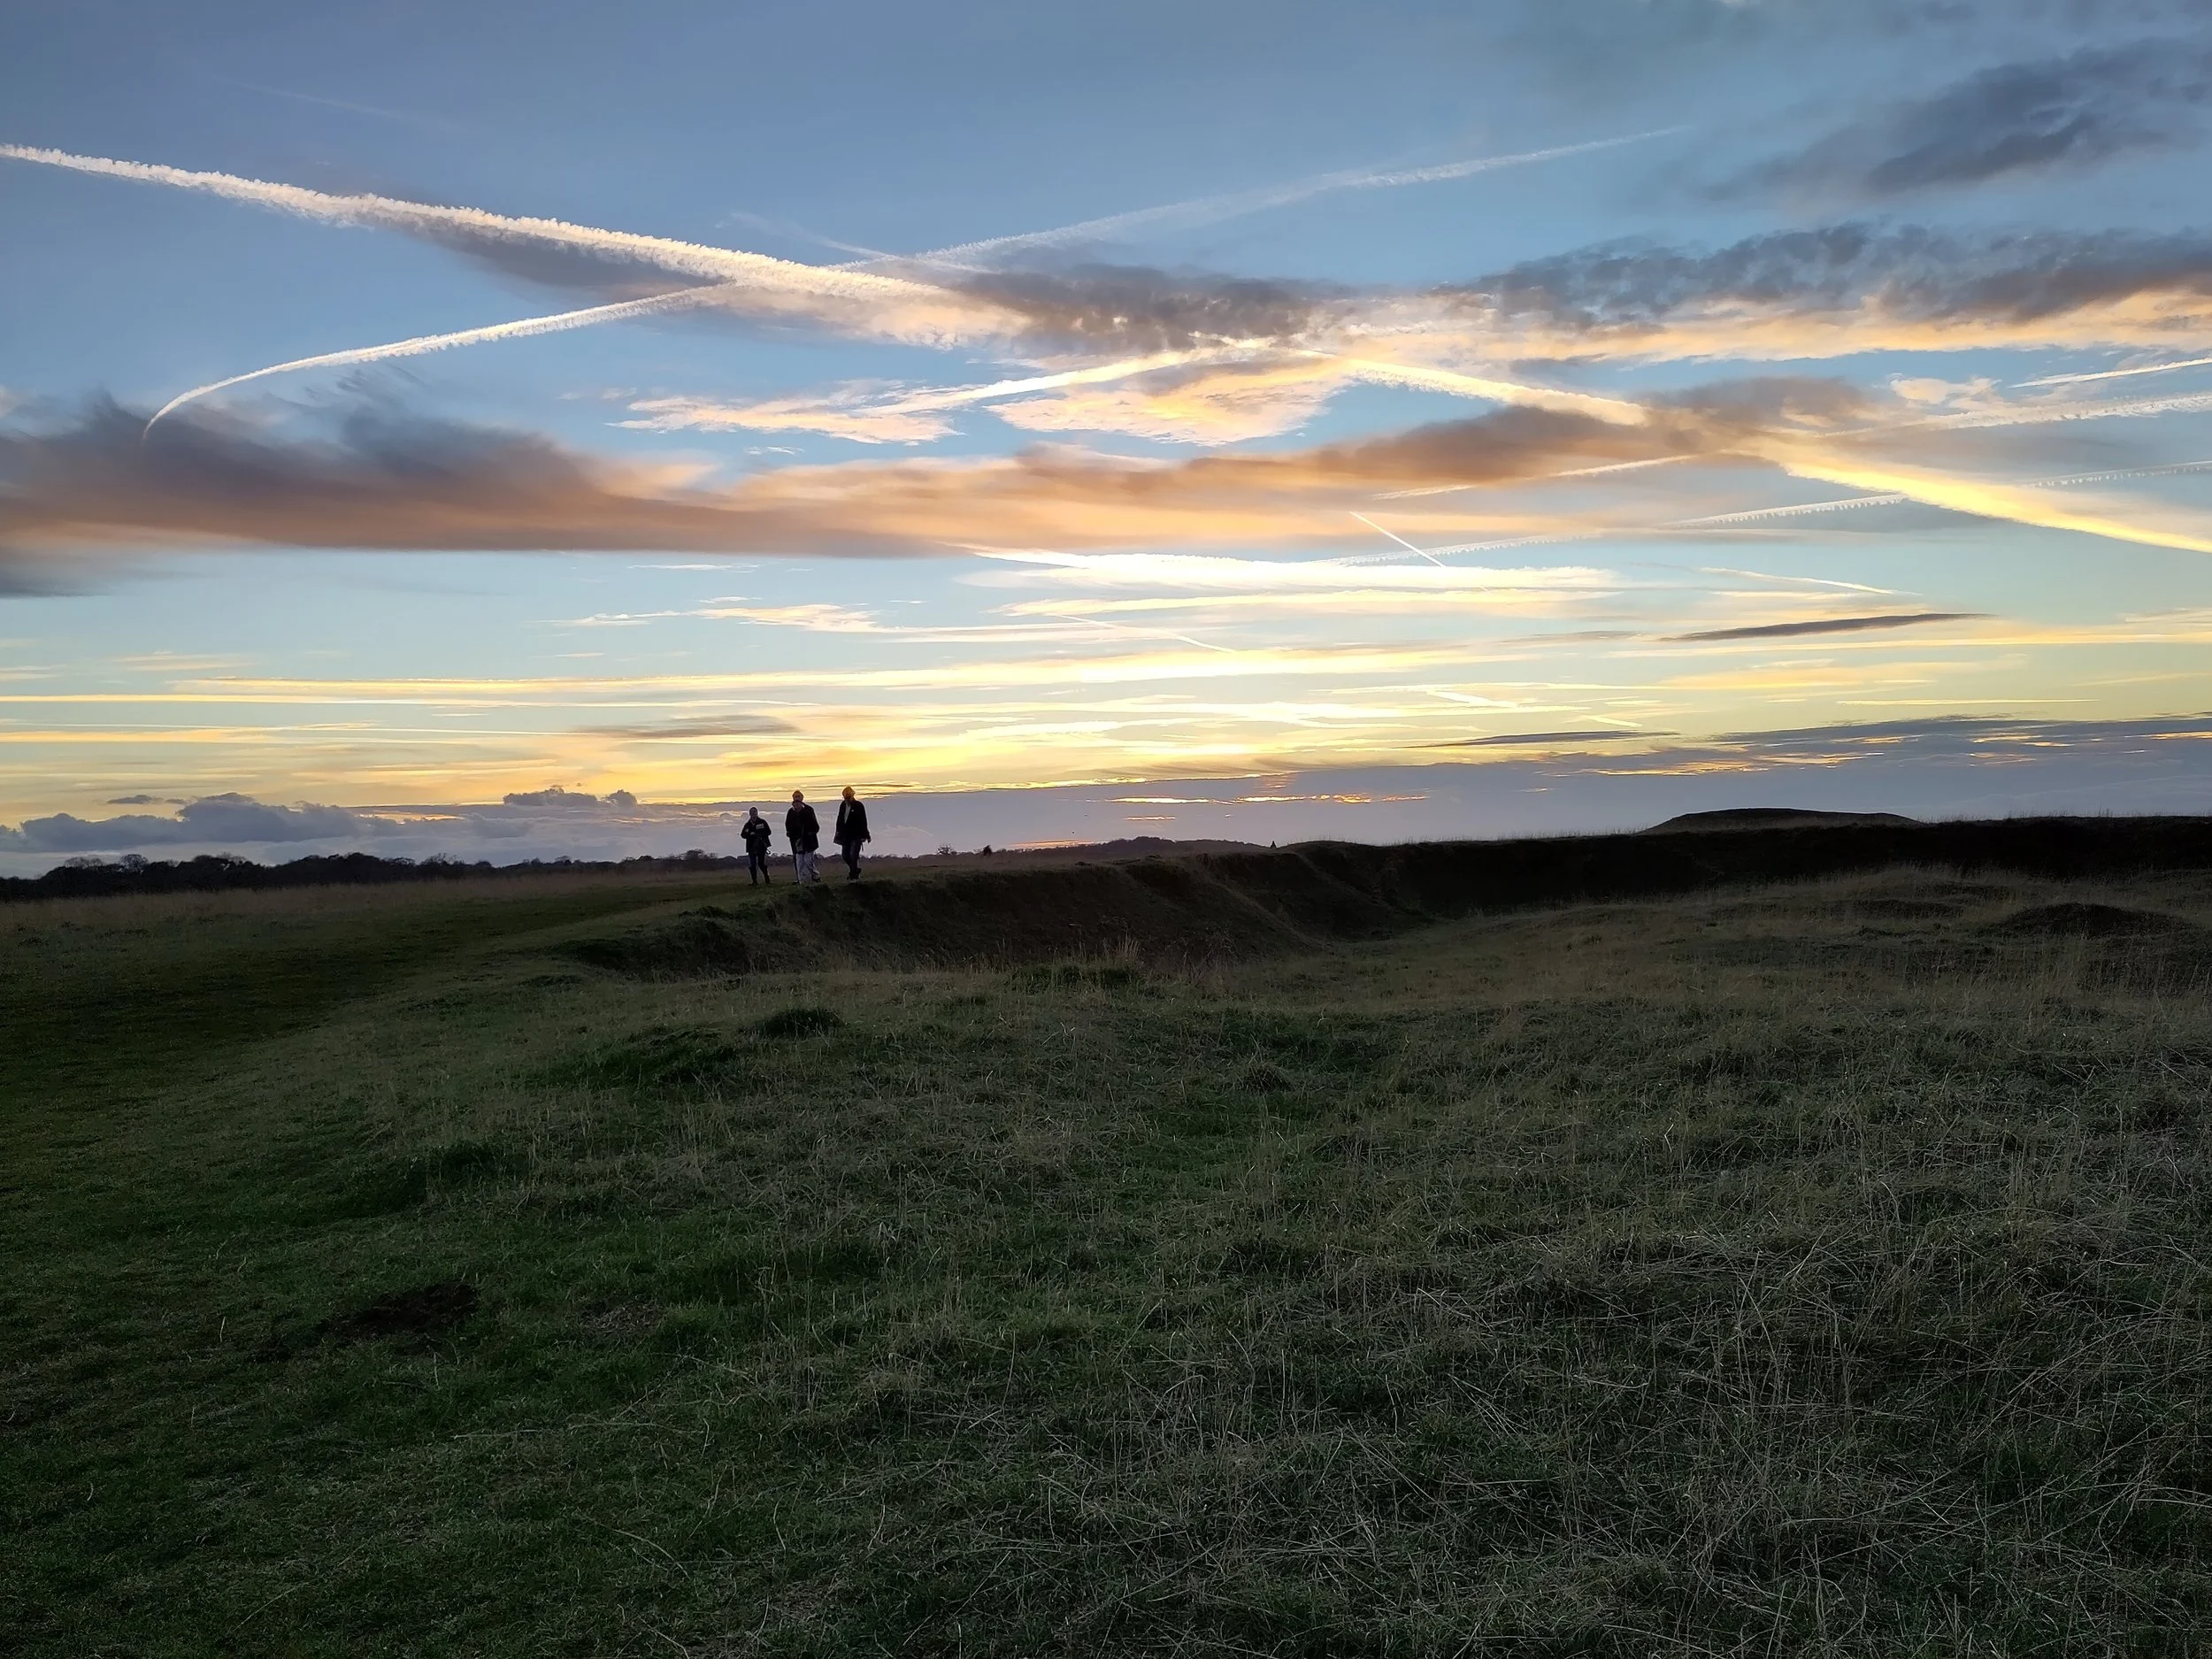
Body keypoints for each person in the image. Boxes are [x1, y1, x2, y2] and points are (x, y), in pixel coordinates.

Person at [834, 785, 871, 880]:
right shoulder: (842, 805)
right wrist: (838, 832)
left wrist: (866, 835)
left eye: (848, 797)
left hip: (856, 835)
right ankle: (855, 871)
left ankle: (853, 875)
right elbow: (840, 819)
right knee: (845, 856)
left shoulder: (858, 805)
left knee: (854, 856)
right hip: (845, 836)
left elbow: (863, 821)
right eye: (845, 797)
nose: (847, 799)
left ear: (852, 796)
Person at [785, 789, 821, 883]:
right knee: (799, 862)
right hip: (797, 841)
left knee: (808, 861)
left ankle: (815, 876)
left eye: (798, 797)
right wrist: (789, 833)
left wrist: (811, 833)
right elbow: (788, 825)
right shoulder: (791, 813)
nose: (797, 801)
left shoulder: (808, 810)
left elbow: (815, 826)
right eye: (795, 798)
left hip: (809, 841)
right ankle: (801, 881)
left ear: (802, 798)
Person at [740, 807, 773, 885]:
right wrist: (749, 834)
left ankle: (767, 878)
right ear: (749, 813)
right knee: (752, 864)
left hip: (761, 846)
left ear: (757, 813)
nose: (753, 813)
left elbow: (768, 832)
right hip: (751, 847)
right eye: (751, 812)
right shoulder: (747, 825)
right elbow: (743, 835)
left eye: (754, 812)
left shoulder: (762, 822)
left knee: (761, 863)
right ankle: (754, 881)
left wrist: (759, 834)